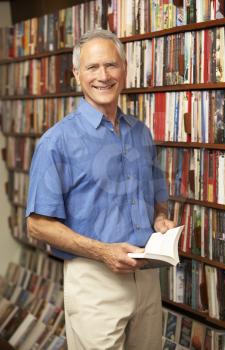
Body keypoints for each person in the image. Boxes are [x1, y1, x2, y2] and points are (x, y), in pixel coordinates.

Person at [26, 28, 175, 350]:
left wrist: (161, 220)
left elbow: (157, 203)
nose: (103, 76)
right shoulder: (57, 141)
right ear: (77, 75)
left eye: (111, 65)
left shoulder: (141, 133)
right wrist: (102, 251)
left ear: (124, 69)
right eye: (92, 67)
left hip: (148, 276)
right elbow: (37, 225)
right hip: (94, 279)